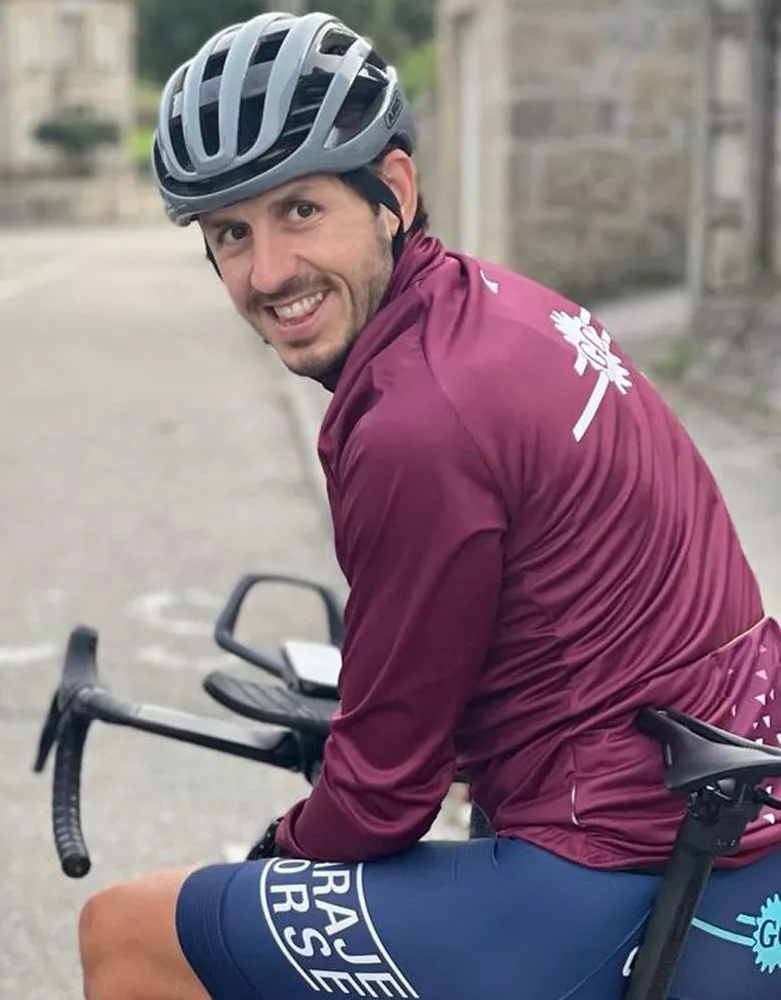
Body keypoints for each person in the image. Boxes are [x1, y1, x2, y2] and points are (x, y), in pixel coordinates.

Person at [76, 11, 781, 1000]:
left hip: (606, 864)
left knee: (128, 931)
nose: (268, 272)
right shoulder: (506, 310)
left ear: (393, 192)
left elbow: (380, 799)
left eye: (300, 211)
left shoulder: (416, 422)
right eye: (231, 233)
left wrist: (275, 852)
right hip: (717, 804)